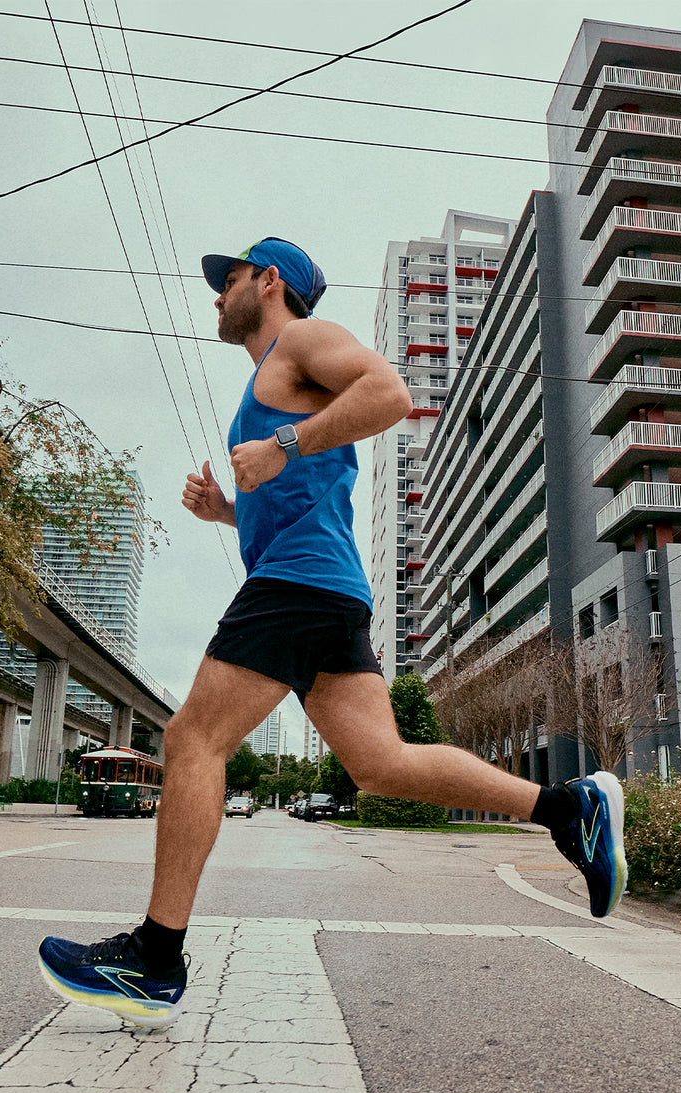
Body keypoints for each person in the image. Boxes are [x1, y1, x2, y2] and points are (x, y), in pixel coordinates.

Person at [39, 237, 626, 1028]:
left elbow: (388, 395)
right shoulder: (273, 375)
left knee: (192, 742)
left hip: (299, 585)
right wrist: (229, 508)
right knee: (381, 765)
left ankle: (155, 957)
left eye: (232, 279)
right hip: (325, 589)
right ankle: (568, 808)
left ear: (270, 281)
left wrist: (281, 444)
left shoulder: (303, 340)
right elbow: (304, 486)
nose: (218, 294)